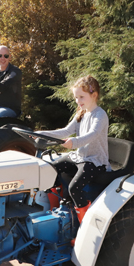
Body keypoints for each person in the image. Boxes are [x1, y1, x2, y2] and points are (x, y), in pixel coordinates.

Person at [36, 75, 111, 223]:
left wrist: (74, 142)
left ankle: (85, 225)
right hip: (79, 156)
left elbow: (93, 134)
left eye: (81, 97)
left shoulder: (100, 115)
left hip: (94, 160)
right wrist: (41, 133)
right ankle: (55, 214)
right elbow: (65, 131)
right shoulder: (81, 113)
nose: (78, 101)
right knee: (49, 170)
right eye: (76, 97)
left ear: (94, 95)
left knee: (74, 188)